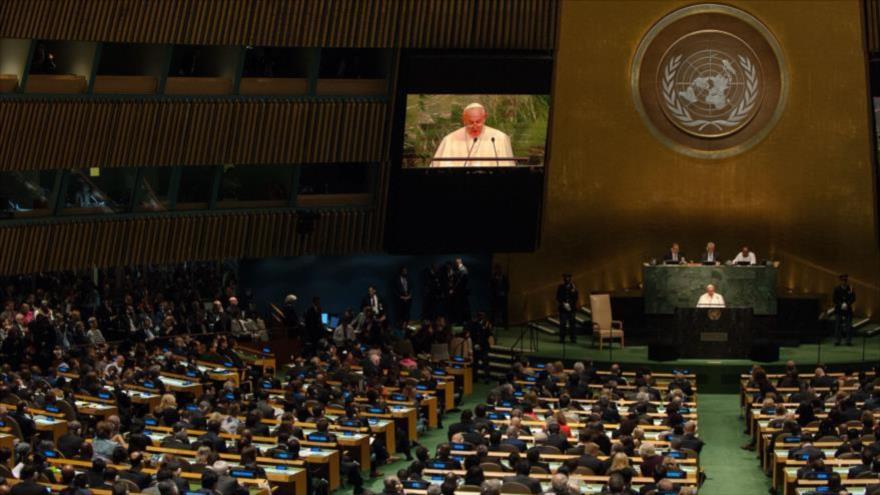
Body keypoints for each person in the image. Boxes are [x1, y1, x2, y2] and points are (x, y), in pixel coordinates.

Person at [431, 103, 515, 167]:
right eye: (470, 122)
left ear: (484, 118)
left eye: (478, 122)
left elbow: (507, 168)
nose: (475, 126)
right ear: (464, 120)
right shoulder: (450, 139)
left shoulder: (500, 137)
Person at [833, 273, 856, 346]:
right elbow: (834, 299)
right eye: (842, 280)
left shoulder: (850, 288)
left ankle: (848, 341)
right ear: (840, 281)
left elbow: (853, 298)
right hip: (839, 310)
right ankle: (837, 340)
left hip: (848, 310)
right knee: (838, 326)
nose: (844, 282)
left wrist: (847, 304)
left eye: (845, 280)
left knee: (848, 326)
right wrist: (841, 304)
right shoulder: (836, 289)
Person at [556, 274, 578, 343]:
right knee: (563, 324)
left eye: (568, 277)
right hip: (563, 308)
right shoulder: (560, 287)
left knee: (572, 324)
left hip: (571, 308)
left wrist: (574, 292)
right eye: (565, 277)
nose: (567, 279)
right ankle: (562, 338)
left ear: (570, 278)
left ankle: (573, 338)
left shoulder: (573, 287)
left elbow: (576, 298)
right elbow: (557, 297)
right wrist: (563, 303)